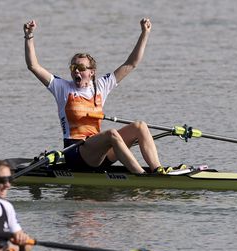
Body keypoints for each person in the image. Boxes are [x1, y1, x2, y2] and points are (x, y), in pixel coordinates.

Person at [24, 18, 172, 175]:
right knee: (111, 134)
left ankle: (158, 170)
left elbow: (131, 63)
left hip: (99, 153)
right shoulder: (62, 88)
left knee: (140, 126)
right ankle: (142, 176)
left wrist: (145, 33)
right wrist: (29, 36)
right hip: (76, 153)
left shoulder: (101, 86)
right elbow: (33, 66)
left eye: (81, 67)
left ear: (91, 72)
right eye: (73, 67)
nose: (76, 71)